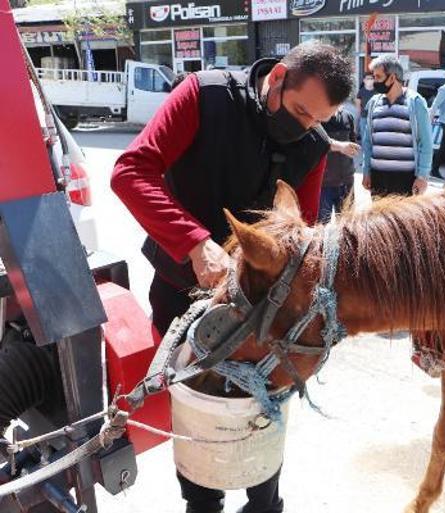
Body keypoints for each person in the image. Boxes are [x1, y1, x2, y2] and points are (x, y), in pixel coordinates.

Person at [111, 42, 353, 513]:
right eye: (301, 110)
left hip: (260, 306)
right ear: (278, 76)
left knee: (263, 403)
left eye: (317, 120)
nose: (304, 126)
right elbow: (130, 172)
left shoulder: (312, 145)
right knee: (197, 406)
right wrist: (193, 242)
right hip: (182, 285)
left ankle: (265, 502)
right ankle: (202, 503)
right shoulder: (204, 95)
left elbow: (295, 235)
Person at [361, 54, 432, 197]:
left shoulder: (415, 102)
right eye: (374, 77)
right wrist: (366, 171)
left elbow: (426, 142)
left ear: (392, 78)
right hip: (378, 178)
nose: (375, 82)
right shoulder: (374, 103)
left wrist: (422, 176)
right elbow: (368, 142)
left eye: (378, 77)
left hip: (406, 180)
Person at [320, 107, 359, 223]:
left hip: (346, 183)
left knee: (347, 226)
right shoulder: (318, 118)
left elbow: (352, 144)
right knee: (319, 228)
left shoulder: (347, 116)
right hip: (323, 184)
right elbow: (316, 145)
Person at [355, 72, 375, 139]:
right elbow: (358, 108)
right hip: (364, 117)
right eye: (368, 79)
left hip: (375, 118)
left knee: (374, 137)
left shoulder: (377, 91)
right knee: (364, 137)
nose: (370, 80)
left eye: (371, 78)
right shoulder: (361, 91)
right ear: (364, 80)